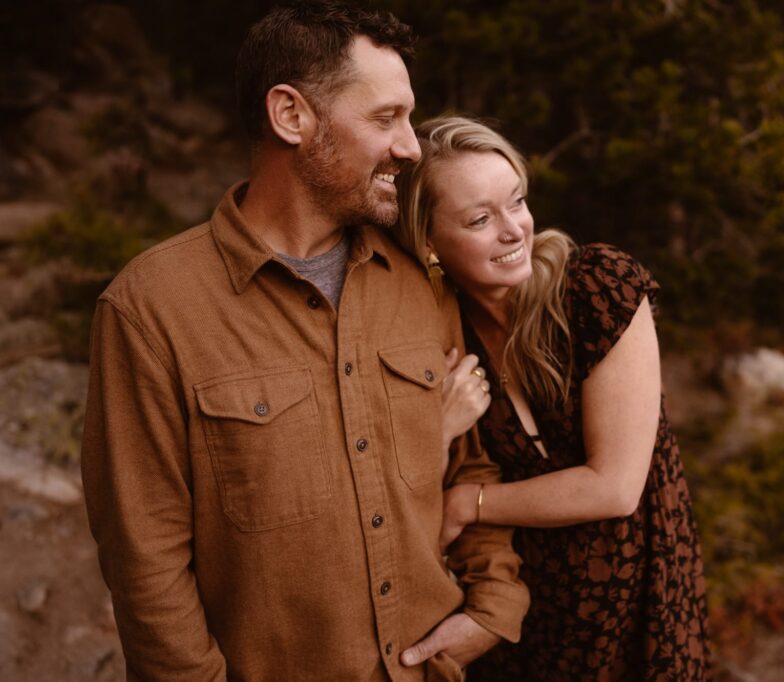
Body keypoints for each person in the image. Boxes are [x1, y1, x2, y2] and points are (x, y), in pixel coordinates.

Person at [79, 5, 528, 680]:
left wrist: (492, 607)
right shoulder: (151, 310)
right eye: (385, 119)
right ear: (291, 116)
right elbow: (145, 559)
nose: (410, 147)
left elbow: (470, 466)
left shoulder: (419, 282)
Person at [395, 116, 710, 681]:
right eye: (480, 219)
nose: (514, 230)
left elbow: (614, 487)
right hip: (528, 628)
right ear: (428, 242)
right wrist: (439, 432)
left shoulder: (596, 288)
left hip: (643, 612)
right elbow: (422, 489)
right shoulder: (441, 340)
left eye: (515, 202)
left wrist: (473, 502)